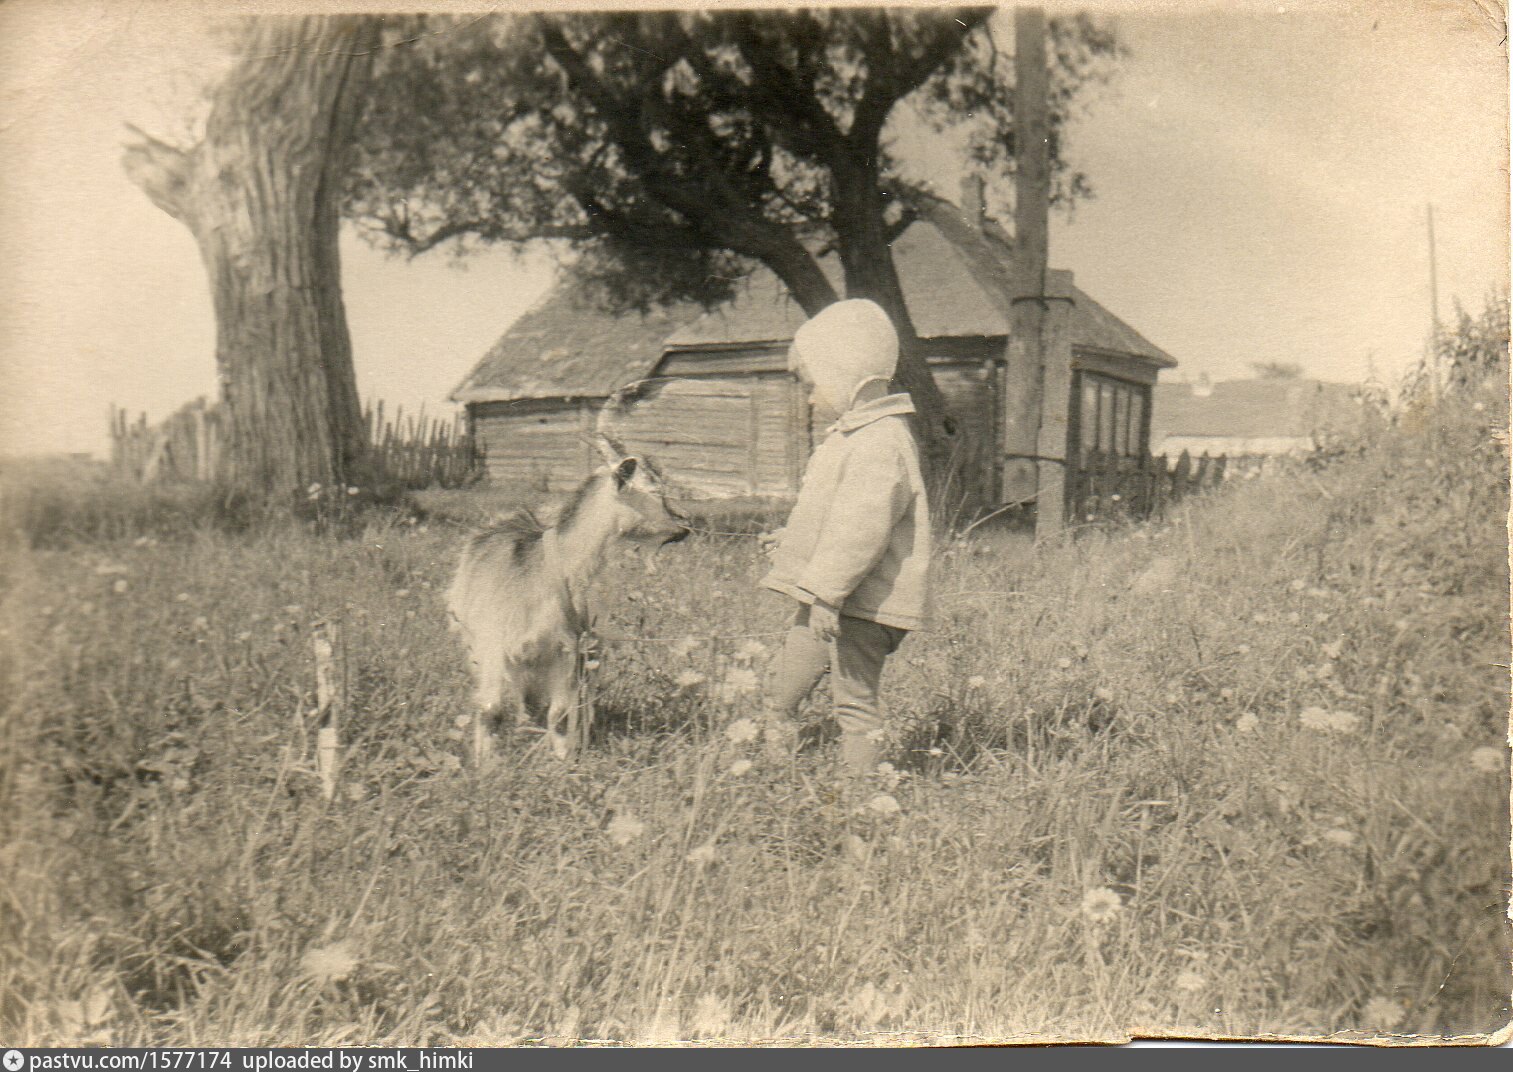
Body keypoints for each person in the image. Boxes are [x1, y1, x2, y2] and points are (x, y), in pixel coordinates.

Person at [758, 298, 932, 780]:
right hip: (830, 598)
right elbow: (832, 517)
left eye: (812, 386)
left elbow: (861, 532)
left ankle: (859, 797)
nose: (811, 400)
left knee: (854, 703)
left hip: (862, 604)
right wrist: (793, 541)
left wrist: (827, 597)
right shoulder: (855, 435)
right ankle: (776, 768)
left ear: (844, 373)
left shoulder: (880, 442)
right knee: (783, 683)